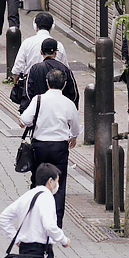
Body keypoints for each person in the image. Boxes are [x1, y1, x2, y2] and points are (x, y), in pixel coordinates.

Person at [19, 69, 80, 228]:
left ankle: (37, 219)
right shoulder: (68, 103)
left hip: (40, 145)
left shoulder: (38, 100)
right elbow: (75, 127)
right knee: (58, 184)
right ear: (65, 84)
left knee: (38, 181)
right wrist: (73, 136)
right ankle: (56, 223)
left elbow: (25, 119)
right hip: (60, 146)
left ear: (47, 82)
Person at [23, 38, 78, 113]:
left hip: (40, 111)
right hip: (60, 112)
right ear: (55, 53)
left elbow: (27, 92)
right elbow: (74, 94)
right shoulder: (65, 69)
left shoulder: (34, 69)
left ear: (41, 52)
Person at [12, 12, 69, 77]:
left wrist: (16, 85)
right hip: (54, 82)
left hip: (31, 82)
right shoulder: (59, 45)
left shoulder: (27, 43)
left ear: (35, 26)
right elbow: (65, 69)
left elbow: (17, 69)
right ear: (52, 26)